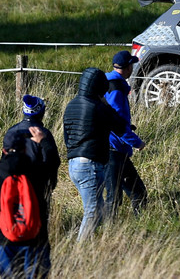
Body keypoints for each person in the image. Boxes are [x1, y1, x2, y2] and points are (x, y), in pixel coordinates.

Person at [0, 127, 53, 278]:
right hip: (35, 237)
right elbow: (53, 162)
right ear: (25, 149)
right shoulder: (37, 172)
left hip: (6, 239)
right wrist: (43, 141)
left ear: (3, 150)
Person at [63, 67, 126, 241]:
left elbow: (66, 138)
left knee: (100, 210)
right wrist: (106, 104)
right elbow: (120, 127)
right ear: (99, 88)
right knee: (92, 212)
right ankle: (79, 252)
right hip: (90, 164)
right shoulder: (98, 107)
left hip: (74, 164)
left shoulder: (71, 105)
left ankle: (105, 241)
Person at [104, 51, 147, 217]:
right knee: (114, 198)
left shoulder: (110, 84)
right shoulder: (116, 89)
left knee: (138, 192)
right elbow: (117, 122)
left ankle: (140, 224)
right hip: (113, 149)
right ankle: (108, 234)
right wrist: (136, 142)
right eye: (132, 65)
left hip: (115, 149)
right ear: (128, 66)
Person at [3, 95, 60, 205]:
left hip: (12, 183)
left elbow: (4, 159)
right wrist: (51, 185)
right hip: (37, 186)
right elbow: (53, 161)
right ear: (41, 112)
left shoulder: (11, 132)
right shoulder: (43, 134)